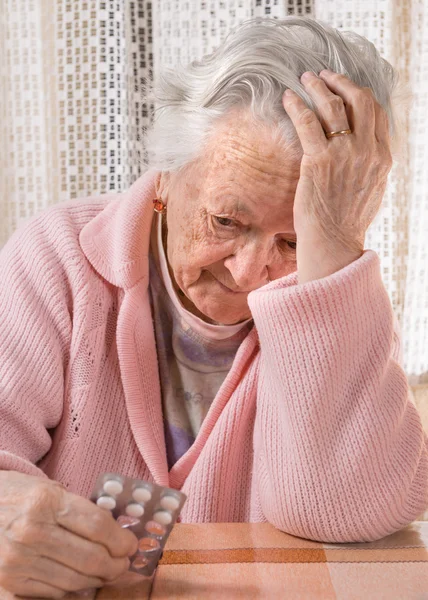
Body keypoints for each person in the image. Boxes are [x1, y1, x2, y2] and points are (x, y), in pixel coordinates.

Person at [0, 15, 427, 598]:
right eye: (226, 221)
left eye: (294, 241)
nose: (249, 274)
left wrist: (330, 249)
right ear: (166, 178)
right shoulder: (56, 258)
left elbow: (345, 513)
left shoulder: (340, 302)